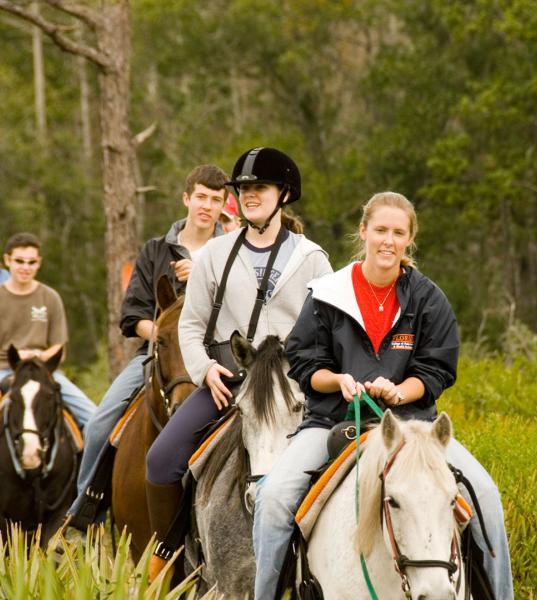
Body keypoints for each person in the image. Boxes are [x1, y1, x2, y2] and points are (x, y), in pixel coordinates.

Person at [254, 192, 514, 600]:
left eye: (398, 232)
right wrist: (338, 380)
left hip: (414, 428)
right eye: (380, 230)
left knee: (486, 497)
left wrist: (398, 390)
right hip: (331, 423)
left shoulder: (429, 299)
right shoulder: (326, 293)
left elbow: (435, 370)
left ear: (409, 239)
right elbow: (305, 364)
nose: (388, 241)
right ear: (363, 232)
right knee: (273, 497)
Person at [144, 147, 332, 580]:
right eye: (244, 189)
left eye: (259, 188)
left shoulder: (313, 259)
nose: (249, 195)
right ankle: (170, 560)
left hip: (292, 385)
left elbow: (327, 331)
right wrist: (205, 370)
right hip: (228, 380)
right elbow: (190, 327)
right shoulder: (215, 254)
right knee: (160, 460)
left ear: (284, 194)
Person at [67, 164, 229, 527]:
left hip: (215, 359)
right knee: (99, 423)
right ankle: (84, 513)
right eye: (200, 197)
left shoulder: (229, 251)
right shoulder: (155, 250)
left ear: (223, 207)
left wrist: (203, 272)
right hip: (158, 354)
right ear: (186, 199)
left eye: (215, 200)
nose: (206, 206)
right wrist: (164, 337)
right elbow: (132, 315)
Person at [0, 233, 96, 432]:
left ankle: (86, 461)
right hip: (4, 370)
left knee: (94, 417)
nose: (25, 267)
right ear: (7, 260)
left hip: (44, 370)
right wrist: (19, 357)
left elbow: (59, 347)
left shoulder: (50, 297)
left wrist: (39, 357)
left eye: (31, 262)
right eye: (19, 261)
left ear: (38, 263)